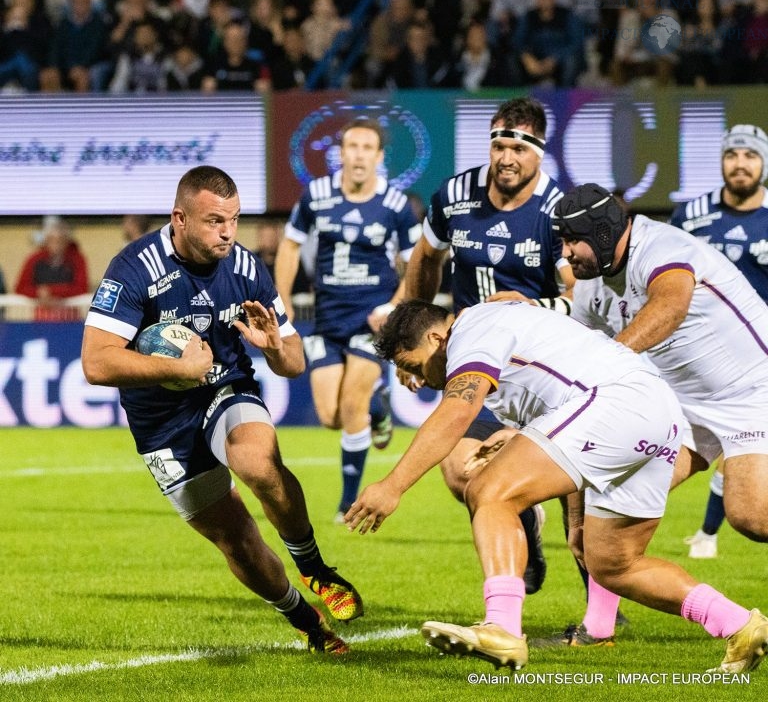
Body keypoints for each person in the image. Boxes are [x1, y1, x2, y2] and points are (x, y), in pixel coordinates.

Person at [345, 298, 768, 673]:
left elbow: (458, 410)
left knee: (488, 491)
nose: (417, 378)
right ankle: (740, 624)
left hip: (615, 404)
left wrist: (393, 485)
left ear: (437, 337)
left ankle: (503, 627)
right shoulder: (495, 320)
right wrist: (515, 438)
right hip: (657, 416)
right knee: (614, 564)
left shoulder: (469, 333)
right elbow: (558, 379)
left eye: (413, 365)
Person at [81, 165, 362, 654]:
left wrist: (273, 346)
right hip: (160, 424)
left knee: (256, 461)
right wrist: (173, 366)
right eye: (214, 221)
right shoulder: (135, 268)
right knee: (238, 542)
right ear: (180, 218)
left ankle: (313, 565)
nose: (228, 232)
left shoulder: (247, 267)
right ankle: (305, 619)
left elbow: (293, 360)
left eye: (234, 219)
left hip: (223, 389)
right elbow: (96, 361)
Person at [546, 181, 768, 645]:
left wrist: (607, 360)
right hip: (683, 407)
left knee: (752, 516)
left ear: (604, 234)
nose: (566, 255)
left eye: (572, 240)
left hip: (751, 388)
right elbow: (580, 369)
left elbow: (671, 304)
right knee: (607, 518)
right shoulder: (590, 287)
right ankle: (598, 628)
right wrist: (577, 515)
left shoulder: (660, 244)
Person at [402, 97, 574, 595]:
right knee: (461, 474)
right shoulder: (454, 195)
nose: (505, 158)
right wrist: (413, 330)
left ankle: (601, 610)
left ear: (539, 153)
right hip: (477, 365)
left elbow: (576, 296)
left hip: (545, 369)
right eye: (498, 145)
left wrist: (525, 308)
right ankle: (522, 540)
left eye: (517, 149)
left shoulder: (559, 209)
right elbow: (425, 259)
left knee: (574, 489)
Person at [274, 118, 421, 522]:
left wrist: (393, 308)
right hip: (327, 320)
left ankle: (347, 503)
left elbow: (416, 265)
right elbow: (289, 247)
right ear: (340, 154)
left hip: (371, 322)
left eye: (366, 148)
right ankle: (380, 407)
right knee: (330, 416)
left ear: (378, 157)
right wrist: (282, 301)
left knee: (350, 402)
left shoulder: (396, 206)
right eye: (351, 146)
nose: (357, 154)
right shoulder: (317, 195)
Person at [669, 123, 768, 558]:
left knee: (744, 464)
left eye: (750, 155)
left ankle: (706, 536)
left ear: (763, 163)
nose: (740, 164)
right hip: (699, 367)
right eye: (733, 155)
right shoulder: (690, 217)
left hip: (758, 365)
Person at [15, 217, 89, 321]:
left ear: (67, 240)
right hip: (41, 319)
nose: (56, 244)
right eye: (52, 239)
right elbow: (20, 287)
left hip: (70, 319)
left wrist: (51, 292)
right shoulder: (34, 259)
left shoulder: (77, 259)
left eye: (60, 239)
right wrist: (39, 293)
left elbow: (82, 287)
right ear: (46, 240)